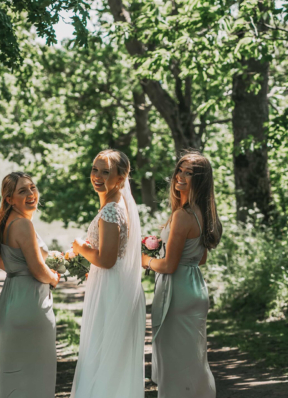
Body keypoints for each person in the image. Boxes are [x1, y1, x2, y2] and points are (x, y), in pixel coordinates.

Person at [142, 151, 222, 398]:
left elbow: (168, 266)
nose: (181, 176)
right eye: (180, 170)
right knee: (194, 359)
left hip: (177, 292)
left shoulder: (182, 215)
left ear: (201, 181)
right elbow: (201, 258)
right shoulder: (203, 213)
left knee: (175, 363)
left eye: (190, 173)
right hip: (195, 288)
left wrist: (144, 259)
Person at [71, 149, 146, 398]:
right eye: (95, 169)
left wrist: (80, 248)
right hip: (112, 283)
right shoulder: (115, 204)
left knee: (104, 353)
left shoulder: (112, 209)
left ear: (121, 177)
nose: (97, 176)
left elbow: (107, 259)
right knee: (108, 354)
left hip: (111, 288)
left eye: (106, 172)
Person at [0, 172, 60, 398]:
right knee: (37, 375)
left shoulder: (6, 222)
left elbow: (3, 263)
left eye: (32, 188)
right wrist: (54, 277)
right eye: (23, 191)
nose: (31, 194)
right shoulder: (22, 224)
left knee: (14, 374)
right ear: (9, 199)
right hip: (31, 304)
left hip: (13, 300)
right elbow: (38, 269)